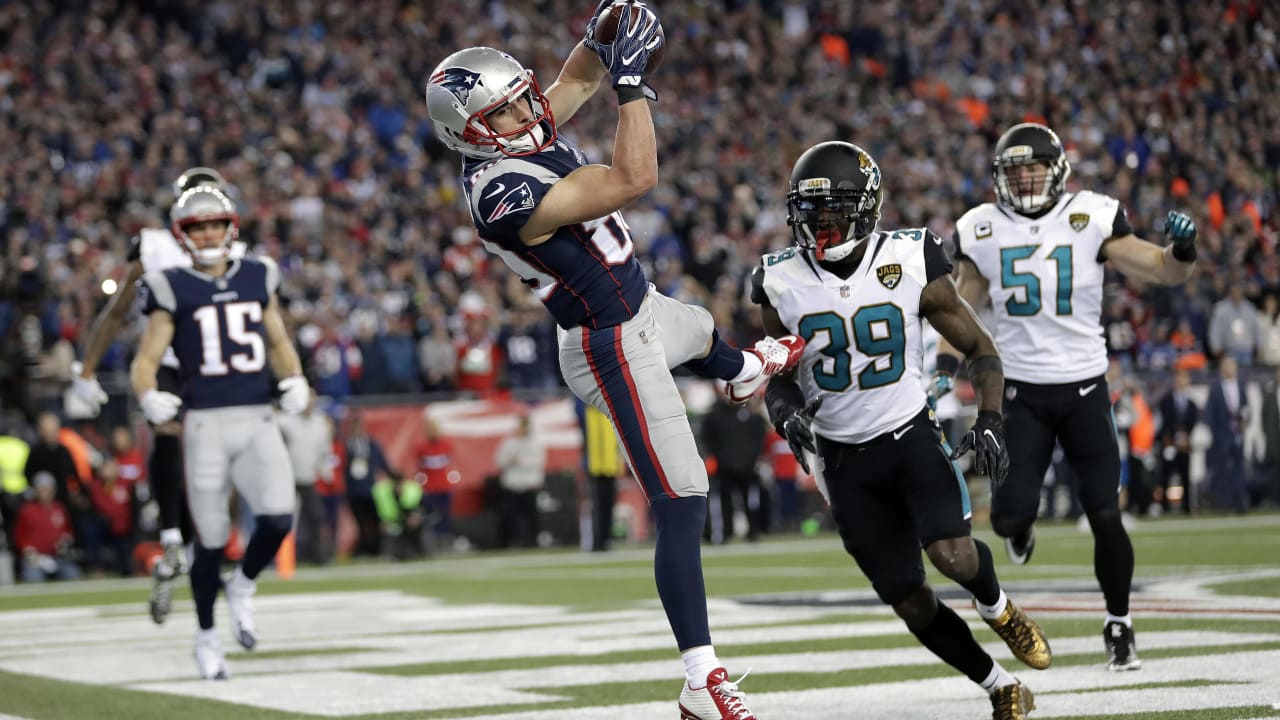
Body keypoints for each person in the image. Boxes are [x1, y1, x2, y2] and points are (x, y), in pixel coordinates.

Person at [424, 7, 803, 716]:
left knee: (697, 328)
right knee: (683, 498)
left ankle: (743, 372)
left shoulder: (523, 126)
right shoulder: (500, 191)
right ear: (470, 133)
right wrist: (635, 85)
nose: (526, 114)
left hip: (642, 309)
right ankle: (700, 680)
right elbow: (633, 177)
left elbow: (575, 76)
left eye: (520, 98)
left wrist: (605, 32)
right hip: (608, 343)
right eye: (504, 113)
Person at [749, 140, 1049, 720]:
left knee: (956, 558)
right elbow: (777, 373)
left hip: (908, 434)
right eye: (810, 213)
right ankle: (998, 686)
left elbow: (979, 347)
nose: (820, 226)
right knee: (909, 600)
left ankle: (1000, 608)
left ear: (864, 208)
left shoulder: (912, 258)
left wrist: (990, 418)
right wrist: (784, 412)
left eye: (833, 211)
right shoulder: (776, 280)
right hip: (841, 461)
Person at [937, 122, 1199, 672]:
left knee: (1105, 511)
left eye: (1034, 166)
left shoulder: (1093, 215)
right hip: (1019, 393)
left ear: (1057, 171)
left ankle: (1120, 624)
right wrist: (941, 366)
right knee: (1007, 519)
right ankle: (1021, 527)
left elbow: (1162, 270)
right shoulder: (981, 228)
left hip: (1084, 387)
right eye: (1015, 169)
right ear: (1000, 177)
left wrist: (1183, 248)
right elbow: (961, 309)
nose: (1026, 177)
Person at [130, 186, 311, 680]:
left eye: (213, 224)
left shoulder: (259, 274)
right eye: (196, 227)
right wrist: (148, 393)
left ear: (230, 227)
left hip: (256, 416)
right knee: (208, 540)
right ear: (182, 235)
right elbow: (146, 359)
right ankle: (207, 636)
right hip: (205, 422)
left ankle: (244, 585)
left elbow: (277, 340)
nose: (207, 234)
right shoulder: (170, 285)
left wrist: (294, 378)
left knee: (277, 518)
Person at [66, 166, 243, 624]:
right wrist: (86, 370)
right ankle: (169, 535)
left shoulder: (236, 251)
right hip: (164, 361)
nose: (206, 222)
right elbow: (118, 308)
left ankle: (189, 545)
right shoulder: (157, 247)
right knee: (167, 433)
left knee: (221, 461)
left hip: (215, 366)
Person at [494, 412, 547, 548]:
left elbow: (538, 463)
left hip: (529, 484)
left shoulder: (536, 443)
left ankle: (534, 541)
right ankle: (509, 543)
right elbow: (499, 461)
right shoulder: (508, 443)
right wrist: (510, 461)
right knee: (509, 516)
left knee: (532, 517)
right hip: (512, 485)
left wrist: (522, 462)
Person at [1204, 356, 1248, 511]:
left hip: (1238, 435)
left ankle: (1240, 503)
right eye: (1227, 366)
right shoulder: (1215, 389)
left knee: (1239, 471)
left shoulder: (1242, 386)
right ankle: (1222, 504)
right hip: (1222, 436)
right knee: (1221, 471)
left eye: (1232, 366)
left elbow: (1246, 409)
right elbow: (1209, 414)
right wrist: (1215, 434)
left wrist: (1244, 423)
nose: (1230, 369)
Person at [1157, 368, 1199, 514]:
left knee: (1185, 477)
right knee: (1165, 477)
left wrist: (1187, 439)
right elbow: (1162, 423)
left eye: (1184, 378)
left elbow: (1192, 423)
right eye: (1179, 378)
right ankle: (1163, 507)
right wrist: (1167, 440)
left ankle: (1187, 508)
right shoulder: (1166, 400)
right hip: (1169, 444)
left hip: (1184, 446)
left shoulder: (1192, 403)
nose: (1182, 381)